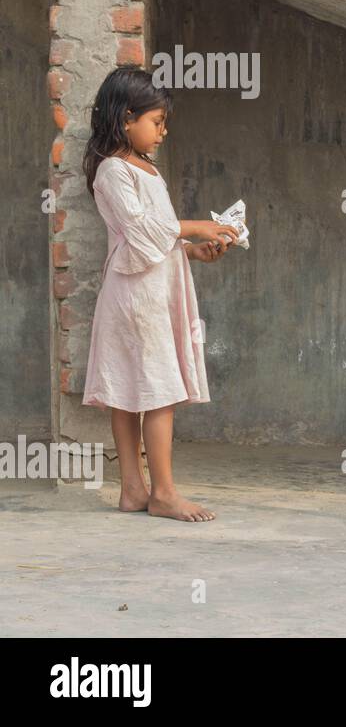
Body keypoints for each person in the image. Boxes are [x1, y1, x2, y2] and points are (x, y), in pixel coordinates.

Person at [81, 67, 239, 523]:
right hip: (135, 298)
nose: (163, 131)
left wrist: (192, 251)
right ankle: (162, 492)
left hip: (149, 288)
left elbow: (155, 242)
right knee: (154, 392)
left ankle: (134, 490)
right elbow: (139, 232)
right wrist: (193, 225)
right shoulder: (112, 170)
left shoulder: (143, 169)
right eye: (157, 122)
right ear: (126, 118)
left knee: (135, 390)